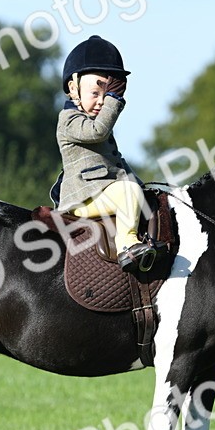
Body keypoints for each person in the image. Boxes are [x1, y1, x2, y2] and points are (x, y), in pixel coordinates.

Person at [54, 35, 159, 273]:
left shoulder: (93, 120)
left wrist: (142, 186)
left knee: (140, 193)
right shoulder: (68, 120)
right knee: (128, 192)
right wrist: (114, 99)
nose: (102, 101)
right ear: (73, 88)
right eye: (95, 93)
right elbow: (97, 131)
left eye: (107, 93)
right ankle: (127, 244)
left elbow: (117, 163)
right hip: (83, 198)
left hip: (103, 192)